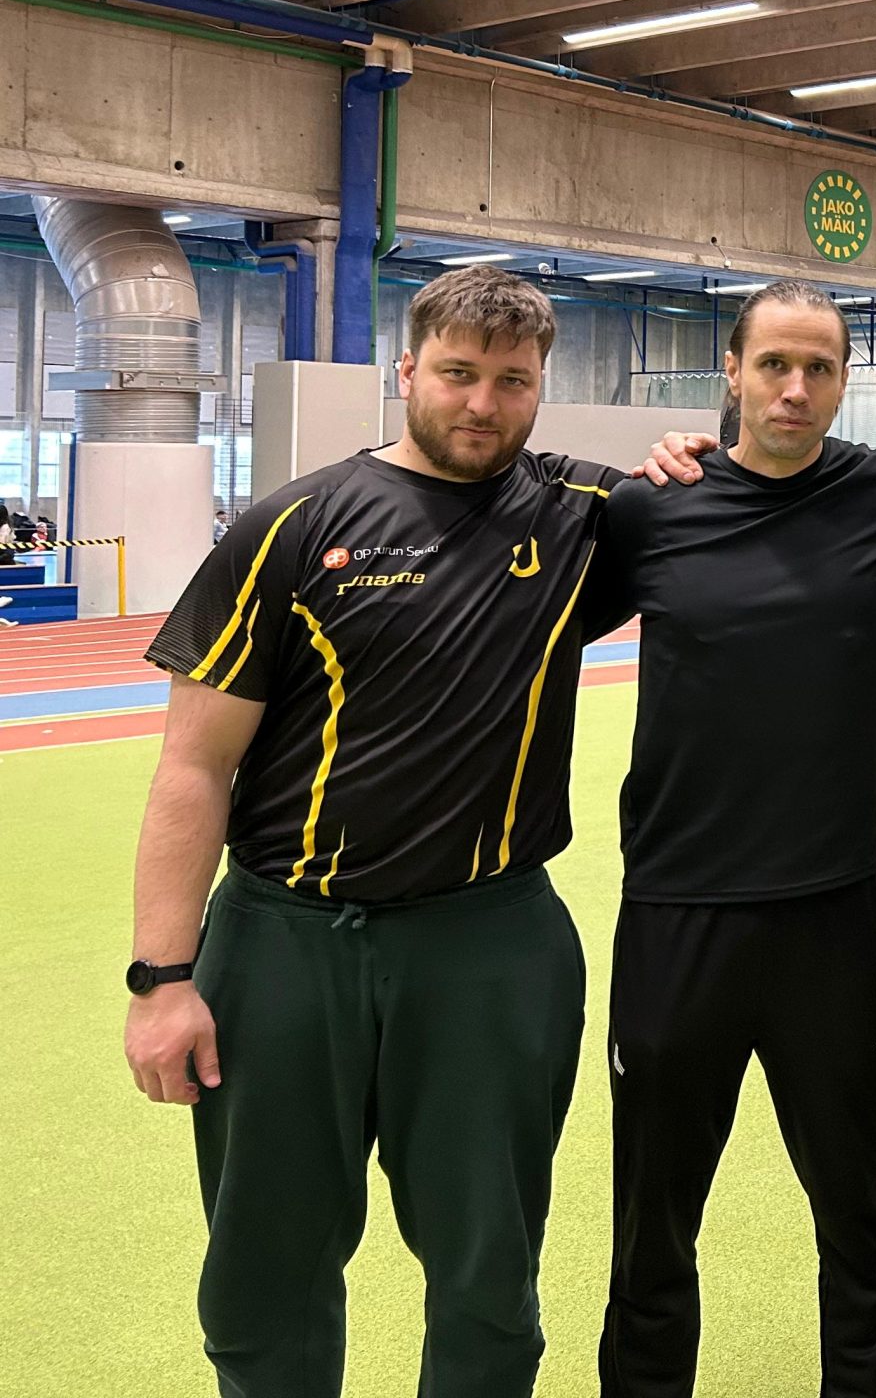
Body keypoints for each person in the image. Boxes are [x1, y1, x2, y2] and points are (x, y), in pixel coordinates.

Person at [125, 267, 623, 1397]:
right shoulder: (294, 526)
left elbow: (754, 500)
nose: (482, 404)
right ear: (406, 371)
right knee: (265, 1271)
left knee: (489, 1271)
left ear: (541, 387)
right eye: (457, 373)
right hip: (285, 943)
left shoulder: (584, 516)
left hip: (491, 943)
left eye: (512, 381)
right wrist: (162, 978)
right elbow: (194, 766)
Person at [584, 280, 876, 1396]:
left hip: (835, 920)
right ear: (732, 372)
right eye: (775, 365)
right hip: (678, 916)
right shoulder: (651, 508)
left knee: (862, 1225)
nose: (795, 388)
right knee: (652, 1229)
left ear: (843, 382)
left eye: (819, 368)